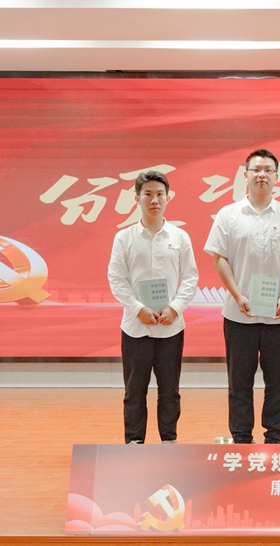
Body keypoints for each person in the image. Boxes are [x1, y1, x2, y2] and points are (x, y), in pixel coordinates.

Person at [204, 149, 280, 444]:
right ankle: (241, 436)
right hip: (239, 314)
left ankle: (274, 435)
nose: (262, 175)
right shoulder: (228, 215)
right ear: (245, 175)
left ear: (277, 177)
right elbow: (220, 258)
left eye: (268, 170)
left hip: (279, 315)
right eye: (256, 170)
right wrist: (237, 295)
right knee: (239, 381)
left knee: (279, 381)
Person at [108, 170, 198, 444]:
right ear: (137, 198)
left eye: (160, 194)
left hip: (170, 326)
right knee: (135, 390)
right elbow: (116, 278)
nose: (154, 200)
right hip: (136, 327)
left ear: (168, 197)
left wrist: (175, 308)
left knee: (169, 390)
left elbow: (191, 277)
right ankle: (134, 442)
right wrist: (138, 308)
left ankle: (169, 441)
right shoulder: (124, 238)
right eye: (147, 194)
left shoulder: (180, 237)